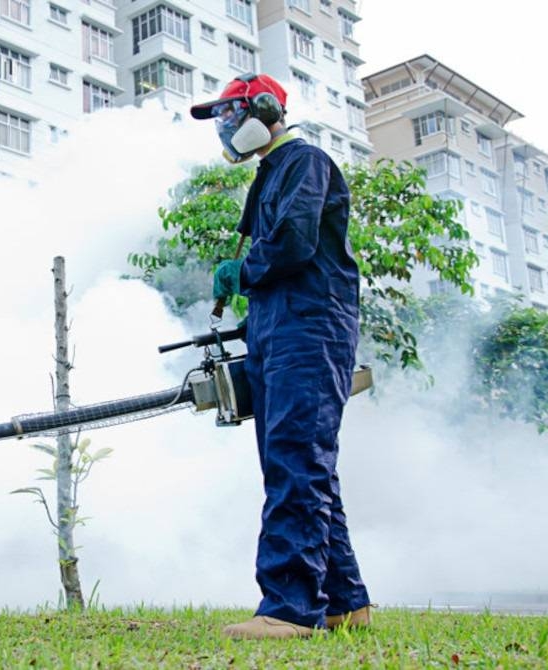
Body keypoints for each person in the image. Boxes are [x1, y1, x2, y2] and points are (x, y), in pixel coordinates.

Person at [190, 74, 371, 638]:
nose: (223, 126)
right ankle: (344, 603)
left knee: (297, 461)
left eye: (229, 113)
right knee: (299, 465)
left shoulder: (305, 162)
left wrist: (240, 272)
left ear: (265, 109)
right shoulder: (270, 174)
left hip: (309, 330)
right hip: (278, 330)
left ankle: (290, 609)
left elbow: (294, 244)